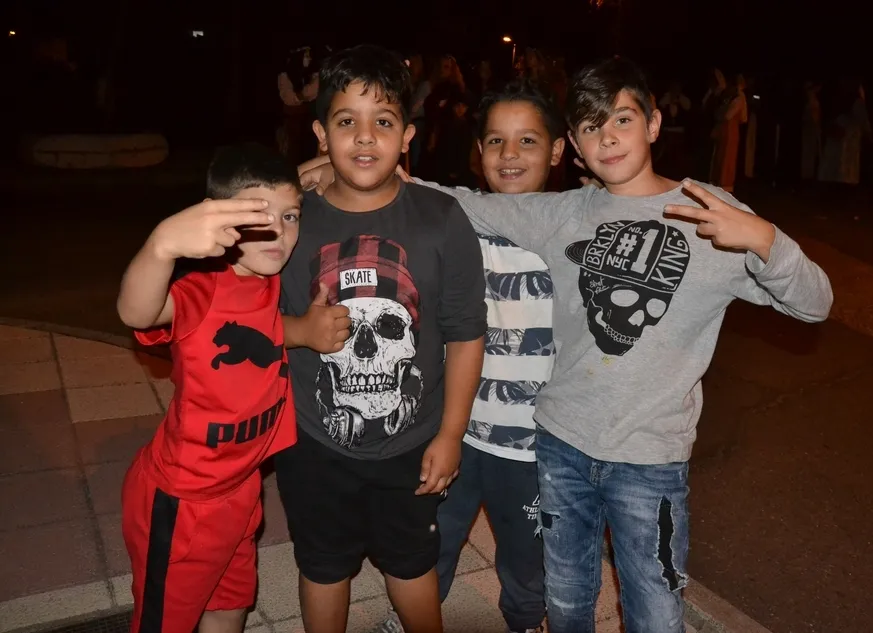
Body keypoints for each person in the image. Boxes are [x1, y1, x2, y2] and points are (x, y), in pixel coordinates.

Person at [391, 57, 833, 633]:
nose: (608, 137)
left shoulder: (711, 212)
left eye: (622, 119)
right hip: (560, 448)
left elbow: (814, 303)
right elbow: (456, 201)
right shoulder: (565, 212)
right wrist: (359, 171)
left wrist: (764, 239)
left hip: (650, 459)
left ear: (653, 124)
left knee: (655, 610)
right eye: (591, 126)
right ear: (575, 146)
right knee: (568, 601)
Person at [275, 44, 487, 633]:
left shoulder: (441, 220)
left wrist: (451, 433)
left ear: (407, 136)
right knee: (322, 567)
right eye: (347, 122)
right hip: (313, 445)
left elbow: (466, 333)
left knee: (412, 564)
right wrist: (301, 331)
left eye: (384, 122)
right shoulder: (292, 222)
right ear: (321, 134)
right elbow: (241, 312)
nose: (365, 137)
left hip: (412, 445)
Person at [371, 79, 565, 633]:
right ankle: (414, 616)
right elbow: (400, 183)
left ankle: (524, 620)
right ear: (478, 151)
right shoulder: (461, 218)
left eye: (528, 141)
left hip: (532, 444)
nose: (510, 154)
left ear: (556, 150)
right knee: (434, 535)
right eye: (496, 141)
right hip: (456, 429)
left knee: (527, 552)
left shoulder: (570, 228)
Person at [117, 143, 302, 633]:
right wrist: (161, 246)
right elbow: (137, 312)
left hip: (242, 488)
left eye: (290, 217)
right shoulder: (203, 289)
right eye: (258, 217)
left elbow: (302, 186)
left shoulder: (267, 274)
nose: (277, 231)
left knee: (230, 607)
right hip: (182, 503)